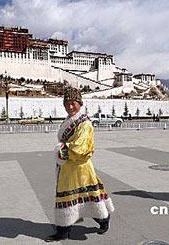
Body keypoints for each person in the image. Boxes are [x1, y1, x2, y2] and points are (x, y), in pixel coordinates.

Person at [46, 87, 114, 242]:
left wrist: (61, 150)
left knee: (89, 198)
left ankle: (104, 220)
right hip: (67, 168)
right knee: (66, 199)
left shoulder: (85, 124)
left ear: (80, 103)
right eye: (67, 103)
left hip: (81, 168)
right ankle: (63, 231)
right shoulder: (70, 120)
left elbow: (81, 147)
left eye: (73, 103)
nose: (70, 106)